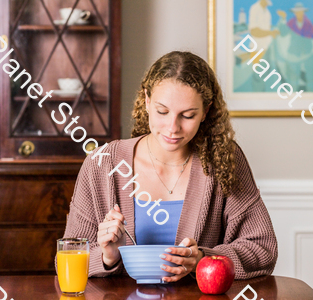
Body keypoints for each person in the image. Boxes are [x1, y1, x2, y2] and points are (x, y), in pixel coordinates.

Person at [61, 51, 278, 282]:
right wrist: (108, 256)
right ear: (146, 100)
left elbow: (263, 249)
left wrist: (203, 259)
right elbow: (66, 257)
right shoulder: (102, 163)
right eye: (162, 111)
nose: (172, 127)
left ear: (206, 111)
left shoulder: (223, 158)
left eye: (187, 115)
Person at [276, 2, 313, 91]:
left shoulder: (307, 23)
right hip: (294, 53)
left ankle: (311, 96)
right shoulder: (291, 22)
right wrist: (283, 18)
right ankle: (293, 96)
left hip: (307, 52)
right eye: (297, 12)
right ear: (294, 13)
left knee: (312, 74)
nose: (299, 13)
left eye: (301, 12)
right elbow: (282, 32)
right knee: (293, 79)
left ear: (303, 12)